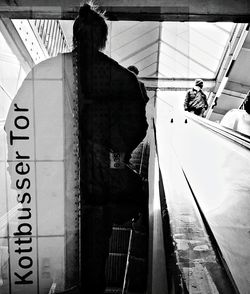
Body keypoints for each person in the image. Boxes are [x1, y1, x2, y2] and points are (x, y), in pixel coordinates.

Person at [74, 3, 147, 294]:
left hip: (61, 183)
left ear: (76, 35)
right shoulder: (122, 78)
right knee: (95, 255)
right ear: (103, 39)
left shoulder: (56, 73)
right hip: (99, 187)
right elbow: (135, 128)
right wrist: (116, 161)